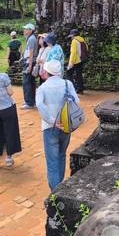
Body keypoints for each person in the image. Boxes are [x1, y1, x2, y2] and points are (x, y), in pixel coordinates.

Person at [36, 59, 79, 191]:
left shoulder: (42, 88)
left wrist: (52, 120)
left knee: (52, 160)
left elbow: (39, 105)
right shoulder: (67, 84)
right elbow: (76, 101)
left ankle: (55, 191)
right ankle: (60, 185)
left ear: (46, 72)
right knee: (61, 155)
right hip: (66, 125)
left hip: (50, 127)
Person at [22, 23, 38, 109]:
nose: (24, 30)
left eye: (26, 29)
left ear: (30, 30)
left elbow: (31, 53)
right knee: (30, 82)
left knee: (26, 82)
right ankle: (31, 101)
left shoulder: (31, 39)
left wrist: (30, 66)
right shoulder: (30, 38)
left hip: (29, 62)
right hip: (29, 62)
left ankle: (29, 102)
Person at [66, 29, 87, 94]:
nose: (71, 38)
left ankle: (74, 89)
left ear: (73, 35)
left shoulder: (74, 41)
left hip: (76, 61)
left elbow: (73, 53)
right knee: (79, 75)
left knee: (68, 73)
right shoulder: (82, 40)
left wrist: (71, 63)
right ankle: (80, 89)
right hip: (82, 60)